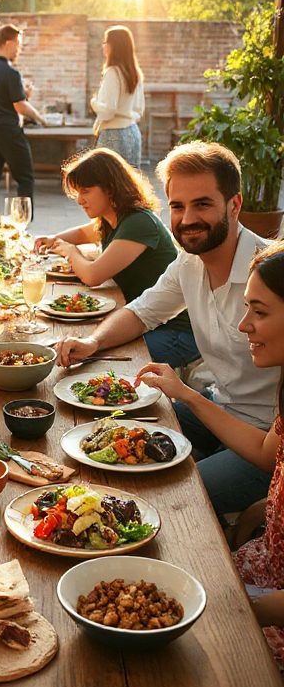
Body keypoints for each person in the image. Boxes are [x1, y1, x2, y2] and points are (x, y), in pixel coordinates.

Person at [55, 141, 277, 518]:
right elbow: (142, 312)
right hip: (217, 407)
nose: (187, 218)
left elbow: (270, 452)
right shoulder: (189, 263)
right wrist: (92, 341)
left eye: (202, 204)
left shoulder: (272, 275)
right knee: (107, 434)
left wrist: (187, 396)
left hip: (265, 442)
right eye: (177, 206)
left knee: (168, 500)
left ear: (234, 205)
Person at [135, 242, 284, 670]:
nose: (243, 324)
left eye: (259, 312)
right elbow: (265, 453)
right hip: (266, 567)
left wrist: (237, 611)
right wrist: (185, 394)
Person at [35, 148, 199, 368]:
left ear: (110, 188)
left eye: (85, 191)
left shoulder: (138, 222)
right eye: (77, 193)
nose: (79, 200)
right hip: (141, 318)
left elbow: (93, 276)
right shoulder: (112, 219)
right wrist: (53, 239)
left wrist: (70, 251)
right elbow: (83, 233)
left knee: (99, 358)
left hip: (174, 331)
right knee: (78, 338)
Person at [0, 23, 47, 223]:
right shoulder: (11, 72)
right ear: (8, 43)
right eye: (18, 44)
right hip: (8, 129)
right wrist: (40, 118)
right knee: (25, 177)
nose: (19, 49)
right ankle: (21, 224)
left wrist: (15, 97)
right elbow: (20, 106)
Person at [90, 25, 144, 168]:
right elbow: (139, 109)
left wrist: (94, 103)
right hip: (133, 132)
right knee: (131, 179)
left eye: (106, 42)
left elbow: (109, 111)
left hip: (113, 134)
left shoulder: (112, 72)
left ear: (113, 46)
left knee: (107, 179)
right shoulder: (136, 73)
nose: (103, 46)